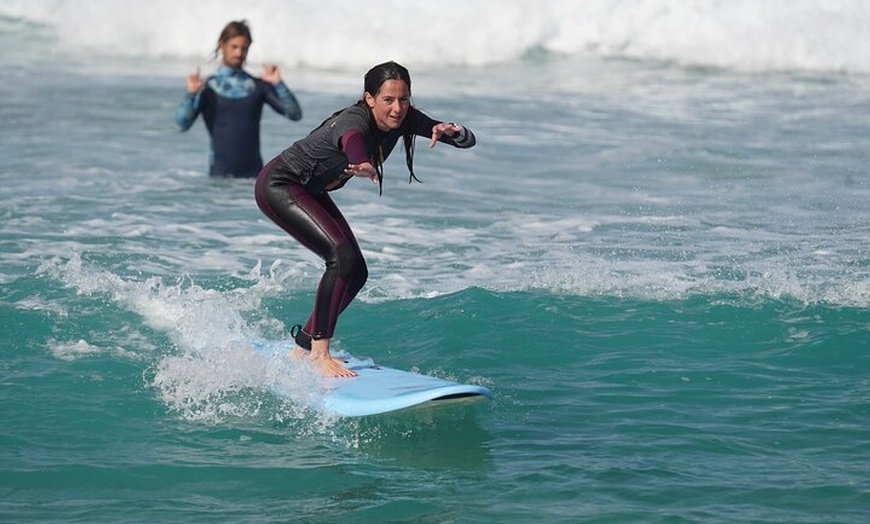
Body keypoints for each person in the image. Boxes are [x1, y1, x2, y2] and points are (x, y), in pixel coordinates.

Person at [255, 61, 477, 377]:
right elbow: (352, 140)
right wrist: (361, 162)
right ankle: (320, 353)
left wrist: (453, 130)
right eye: (388, 100)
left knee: (356, 271)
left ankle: (302, 348)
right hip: (279, 184)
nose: (397, 108)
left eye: (404, 99)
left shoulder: (403, 117)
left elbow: (467, 141)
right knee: (341, 258)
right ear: (369, 98)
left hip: (309, 189)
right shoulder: (353, 121)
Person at [174, 20, 303, 178]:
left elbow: (294, 114)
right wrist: (191, 94)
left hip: (253, 179)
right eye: (234, 47)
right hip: (219, 181)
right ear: (222, 45)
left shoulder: (258, 86)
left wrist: (278, 83)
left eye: (244, 48)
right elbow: (181, 125)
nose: (239, 53)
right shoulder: (208, 88)